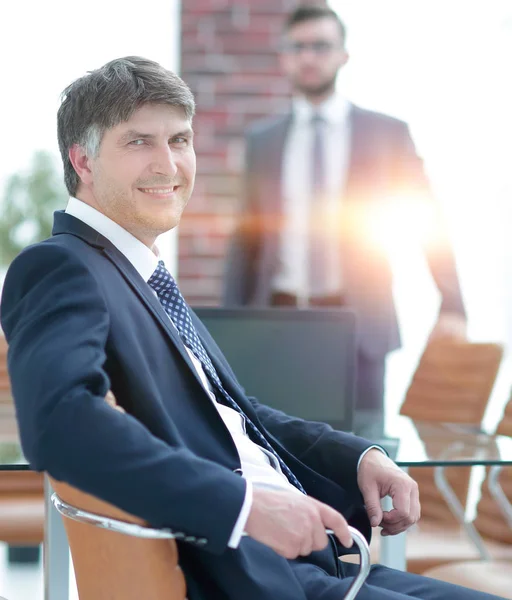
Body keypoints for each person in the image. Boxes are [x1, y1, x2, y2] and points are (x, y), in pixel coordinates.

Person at [0, 57, 501, 600]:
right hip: (248, 579)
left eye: (180, 140)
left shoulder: (139, 275)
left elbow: (239, 417)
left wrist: (358, 456)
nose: (169, 165)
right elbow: (60, 423)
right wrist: (243, 509)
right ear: (84, 161)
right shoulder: (62, 267)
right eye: (139, 142)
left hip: (312, 565)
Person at [223, 5, 467, 423]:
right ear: (284, 57)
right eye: (298, 47)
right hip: (277, 324)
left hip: (360, 328)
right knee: (277, 453)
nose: (309, 57)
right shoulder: (262, 141)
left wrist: (452, 302)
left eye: (321, 46)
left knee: (366, 456)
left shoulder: (387, 133)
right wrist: (229, 331)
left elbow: (427, 220)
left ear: (343, 55)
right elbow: (246, 240)